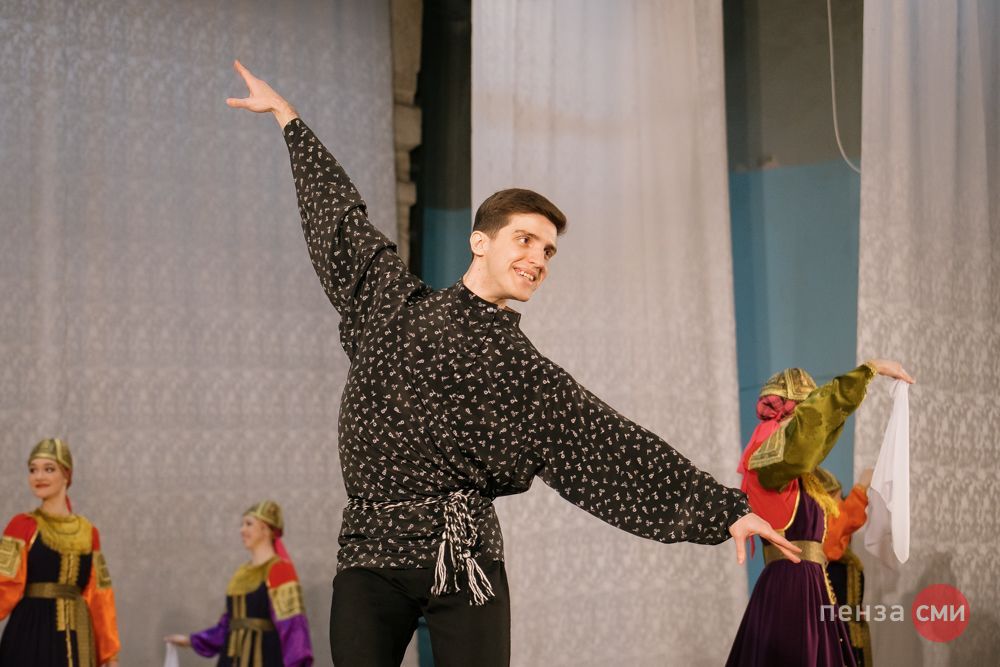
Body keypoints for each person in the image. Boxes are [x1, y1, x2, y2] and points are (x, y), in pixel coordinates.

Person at [225, 60, 800, 667]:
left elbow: (609, 445)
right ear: (481, 241)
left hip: (465, 560)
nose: (538, 259)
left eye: (548, 250)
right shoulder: (391, 305)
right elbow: (342, 225)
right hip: (371, 553)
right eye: (525, 239)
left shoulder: (523, 372)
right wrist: (288, 119)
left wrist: (727, 513)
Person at [726, 362, 914, 667]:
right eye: (800, 415)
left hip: (813, 584)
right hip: (792, 588)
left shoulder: (802, 478)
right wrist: (871, 369)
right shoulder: (769, 460)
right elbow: (814, 423)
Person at [0, 438, 121, 667]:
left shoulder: (89, 532)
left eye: (49, 469)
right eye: (33, 470)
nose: (39, 477)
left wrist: (110, 655)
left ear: (66, 474)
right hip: (30, 634)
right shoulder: (22, 526)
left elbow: (100, 596)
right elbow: (4, 585)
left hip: (78, 635)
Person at [165, 500, 313, 667]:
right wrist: (191, 641)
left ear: (266, 529)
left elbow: (293, 628)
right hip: (231, 659)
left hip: (264, 658)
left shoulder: (279, 570)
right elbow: (227, 626)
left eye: (248, 524)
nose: (242, 530)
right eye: (242, 525)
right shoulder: (240, 574)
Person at [817, 466, 874, 667]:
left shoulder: (845, 560)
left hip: (850, 636)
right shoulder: (819, 555)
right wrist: (861, 488)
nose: (840, 506)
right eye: (836, 500)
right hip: (832, 640)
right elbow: (838, 526)